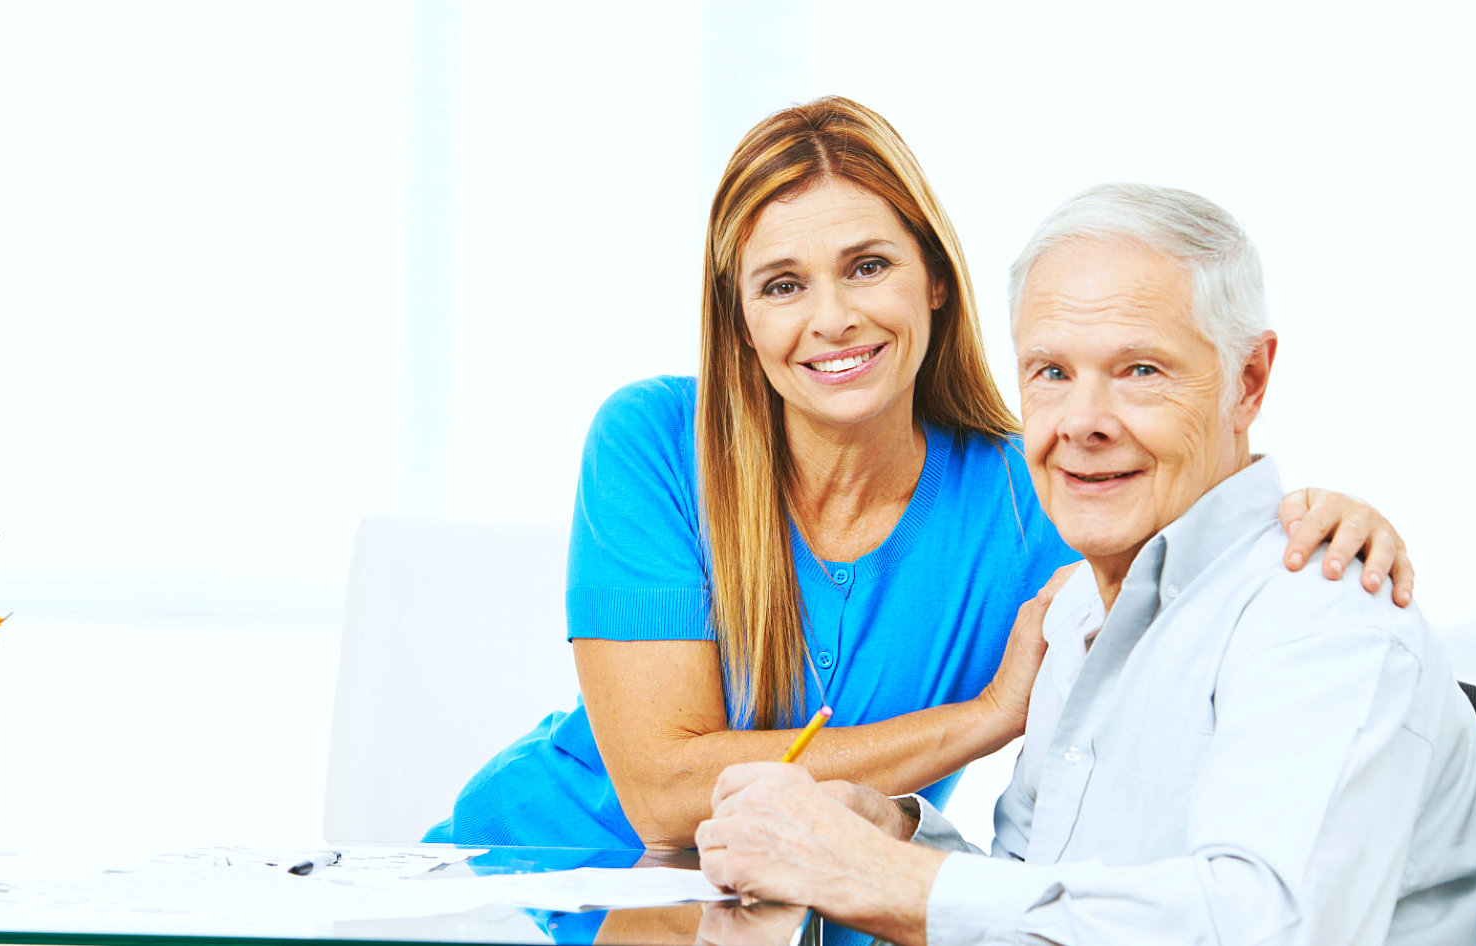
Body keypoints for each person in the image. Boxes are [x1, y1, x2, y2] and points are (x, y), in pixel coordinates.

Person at [425, 98, 1414, 859]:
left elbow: (1190, 549)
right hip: (540, 876)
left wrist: (1314, 516)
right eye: (782, 285)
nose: (833, 319)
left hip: (810, 911)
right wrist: (985, 717)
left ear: (933, 277)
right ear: (741, 319)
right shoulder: (651, 441)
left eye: (866, 266)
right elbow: (666, 798)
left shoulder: (1030, 499)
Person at [696, 183, 1476, 946]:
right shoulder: (1082, 609)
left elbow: (1262, 925)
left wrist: (895, 880)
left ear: (1249, 381)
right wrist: (897, 833)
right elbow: (1038, 890)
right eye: (1051, 373)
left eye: (1140, 372)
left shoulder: (1323, 612)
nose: (1083, 421)